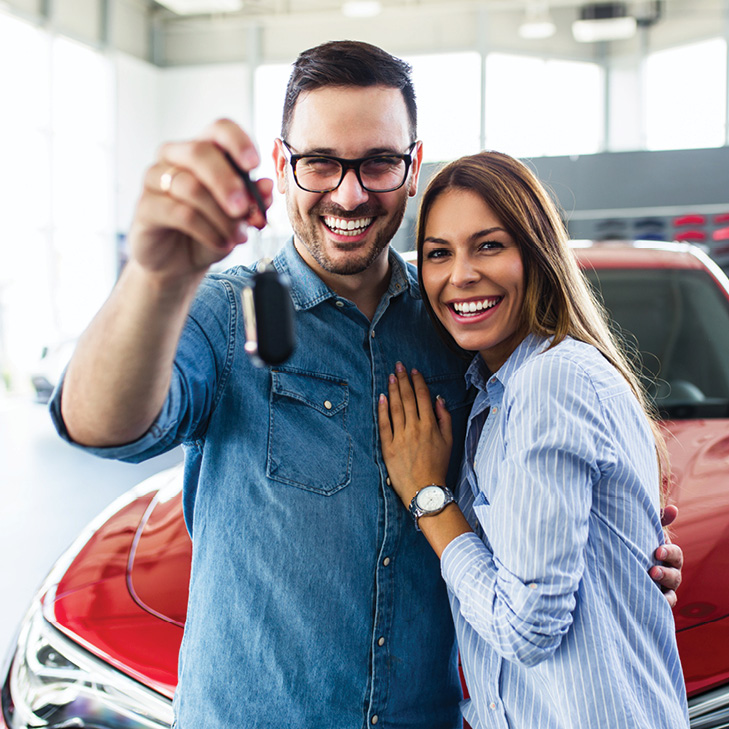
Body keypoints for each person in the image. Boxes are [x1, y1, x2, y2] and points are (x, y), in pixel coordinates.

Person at [48, 41, 683, 729]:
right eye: (321, 162)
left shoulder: (457, 328)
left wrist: (612, 556)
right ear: (282, 166)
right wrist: (155, 276)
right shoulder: (221, 315)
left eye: (378, 162)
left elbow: (521, 497)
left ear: (412, 168)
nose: (348, 195)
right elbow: (99, 425)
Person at [377, 150, 689, 728]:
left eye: (489, 245)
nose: (461, 274)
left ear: (536, 253)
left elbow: (527, 629)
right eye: (439, 253)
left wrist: (428, 498)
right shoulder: (493, 395)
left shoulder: (552, 379)